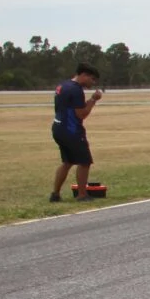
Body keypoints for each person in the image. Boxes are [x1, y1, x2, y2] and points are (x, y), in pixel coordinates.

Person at [49, 63, 103, 202]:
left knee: (67, 162)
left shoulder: (63, 85)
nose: (93, 83)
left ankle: (55, 194)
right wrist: (93, 99)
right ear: (84, 75)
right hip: (71, 130)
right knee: (84, 162)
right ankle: (82, 195)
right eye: (92, 79)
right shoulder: (76, 90)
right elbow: (81, 114)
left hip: (58, 127)